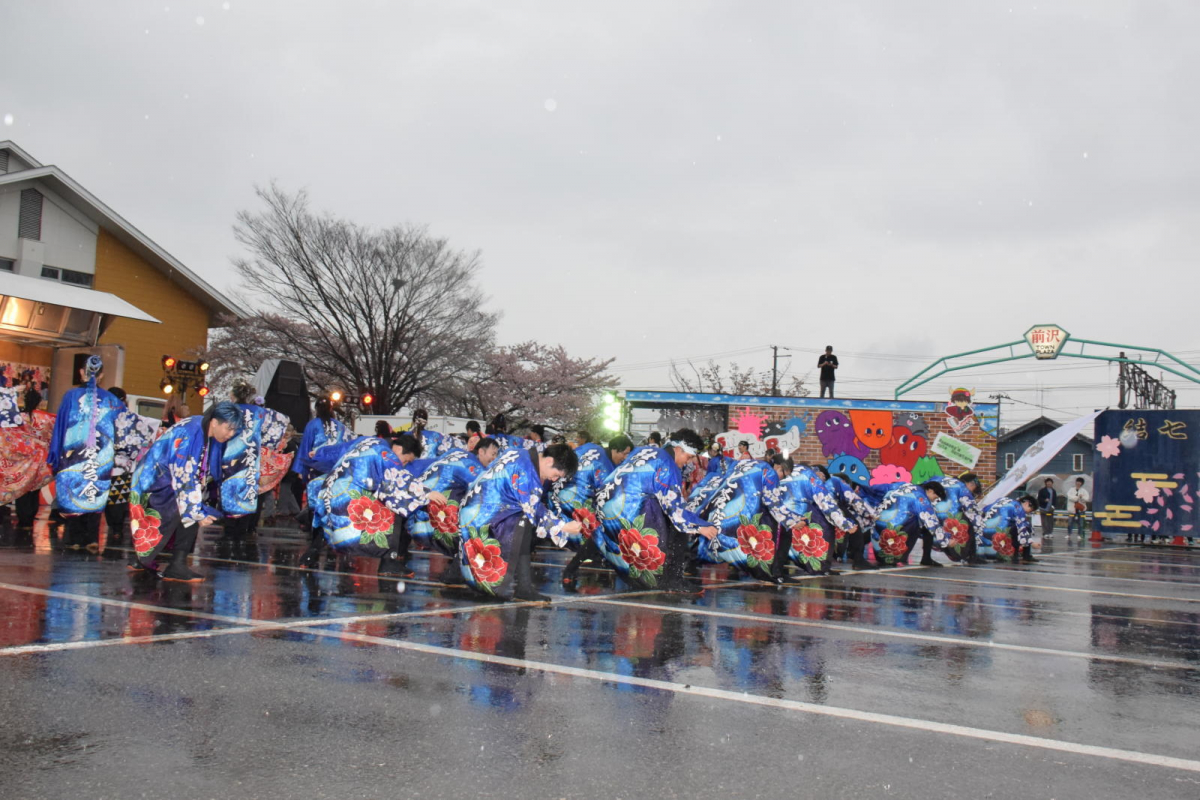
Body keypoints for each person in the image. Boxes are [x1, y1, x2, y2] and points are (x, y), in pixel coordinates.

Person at [127, 402, 245, 581]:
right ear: (214, 422)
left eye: (234, 430)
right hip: (156, 482)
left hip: (158, 479)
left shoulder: (199, 426)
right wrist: (196, 512)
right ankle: (177, 565)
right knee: (187, 514)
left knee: (176, 514)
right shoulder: (192, 433)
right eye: (228, 429)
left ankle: (144, 559)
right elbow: (184, 476)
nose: (231, 434)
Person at [594, 429, 718, 594]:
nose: (688, 462)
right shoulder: (667, 464)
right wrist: (700, 526)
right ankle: (673, 580)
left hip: (604, 503)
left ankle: (573, 568)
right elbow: (675, 509)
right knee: (676, 528)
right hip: (627, 506)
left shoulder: (646, 450)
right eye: (688, 457)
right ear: (679, 449)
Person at [302, 433, 447, 574]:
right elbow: (399, 480)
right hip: (350, 495)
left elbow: (339, 449)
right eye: (406, 460)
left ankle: (309, 556)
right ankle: (389, 562)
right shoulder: (386, 454)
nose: (404, 464)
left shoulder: (367, 441)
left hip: (330, 490)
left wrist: (318, 452)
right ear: (399, 449)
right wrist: (426, 493)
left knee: (328, 522)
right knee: (393, 509)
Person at [47, 356, 150, 552]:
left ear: (80, 372)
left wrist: (55, 454)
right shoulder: (112, 401)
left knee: (73, 494)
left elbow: (60, 427)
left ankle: (73, 538)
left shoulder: (70, 396)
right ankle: (91, 537)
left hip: (73, 455)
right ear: (101, 375)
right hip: (101, 456)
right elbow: (127, 428)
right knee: (95, 493)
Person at [456, 443, 582, 601]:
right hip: (482, 514)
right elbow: (534, 507)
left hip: (479, 508)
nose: (554, 479)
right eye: (556, 474)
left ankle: (524, 587)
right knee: (493, 558)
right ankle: (521, 587)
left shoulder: (521, 454)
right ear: (549, 461)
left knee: (524, 529)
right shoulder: (526, 470)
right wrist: (562, 526)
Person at [552, 432, 632, 592]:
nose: (625, 457)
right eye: (624, 453)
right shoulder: (606, 466)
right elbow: (607, 496)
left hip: (557, 488)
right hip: (572, 497)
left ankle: (592, 558)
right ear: (615, 450)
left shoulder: (593, 448)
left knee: (597, 532)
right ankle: (573, 568)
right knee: (600, 530)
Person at [407, 437, 501, 565]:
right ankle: (458, 564)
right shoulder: (472, 467)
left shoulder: (456, 452)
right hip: (428, 516)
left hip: (413, 507)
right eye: (493, 454)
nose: (494, 459)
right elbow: (488, 491)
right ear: (481, 452)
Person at [218, 381, 290, 545]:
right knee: (248, 492)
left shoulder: (229, 410)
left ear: (233, 395)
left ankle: (229, 529)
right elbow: (283, 420)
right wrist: (269, 443)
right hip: (252, 457)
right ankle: (242, 530)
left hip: (231, 455)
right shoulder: (260, 412)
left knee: (230, 491)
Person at [772, 463, 860, 577]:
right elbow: (826, 503)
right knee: (824, 531)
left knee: (780, 540)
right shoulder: (810, 476)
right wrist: (845, 524)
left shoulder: (772, 474)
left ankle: (775, 571)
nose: (821, 477)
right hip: (798, 512)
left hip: (777, 512)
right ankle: (820, 567)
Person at [105, 388, 158, 547]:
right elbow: (148, 429)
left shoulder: (101, 416)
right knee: (118, 500)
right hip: (124, 466)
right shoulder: (132, 419)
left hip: (103, 466)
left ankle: (111, 528)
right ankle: (116, 529)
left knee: (108, 500)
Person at [0, 385, 53, 526]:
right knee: (34, 490)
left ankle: (23, 518)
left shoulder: (17, 419)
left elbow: (11, 439)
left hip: (20, 460)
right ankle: (28, 519)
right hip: (40, 459)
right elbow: (52, 436)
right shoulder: (45, 418)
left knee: (21, 489)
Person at [862, 481, 947, 567]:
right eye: (935, 498)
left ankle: (854, 550)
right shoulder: (920, 497)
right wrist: (946, 540)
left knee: (877, 526)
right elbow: (932, 522)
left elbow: (873, 489)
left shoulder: (900, 485)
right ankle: (925, 558)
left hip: (878, 531)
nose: (933, 501)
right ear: (930, 491)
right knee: (922, 522)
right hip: (892, 541)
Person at [927, 473, 988, 566]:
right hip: (951, 521)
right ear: (970, 484)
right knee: (975, 521)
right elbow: (971, 509)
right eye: (973, 489)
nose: (972, 492)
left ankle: (926, 556)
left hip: (928, 516)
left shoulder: (935, 478)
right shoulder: (960, 486)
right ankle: (970, 556)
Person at [293, 397, 353, 480]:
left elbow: (305, 446)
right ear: (331, 408)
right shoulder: (341, 426)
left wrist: (301, 470)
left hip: (317, 465)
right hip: (337, 465)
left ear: (317, 409)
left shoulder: (312, 424)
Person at [980, 494, 1037, 563]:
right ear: (1027, 503)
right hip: (997, 542)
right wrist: (1032, 543)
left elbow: (984, 509)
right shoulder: (1018, 508)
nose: (1028, 512)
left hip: (981, 538)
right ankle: (1025, 556)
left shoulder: (1002, 499)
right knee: (1025, 527)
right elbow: (1023, 528)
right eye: (1030, 510)